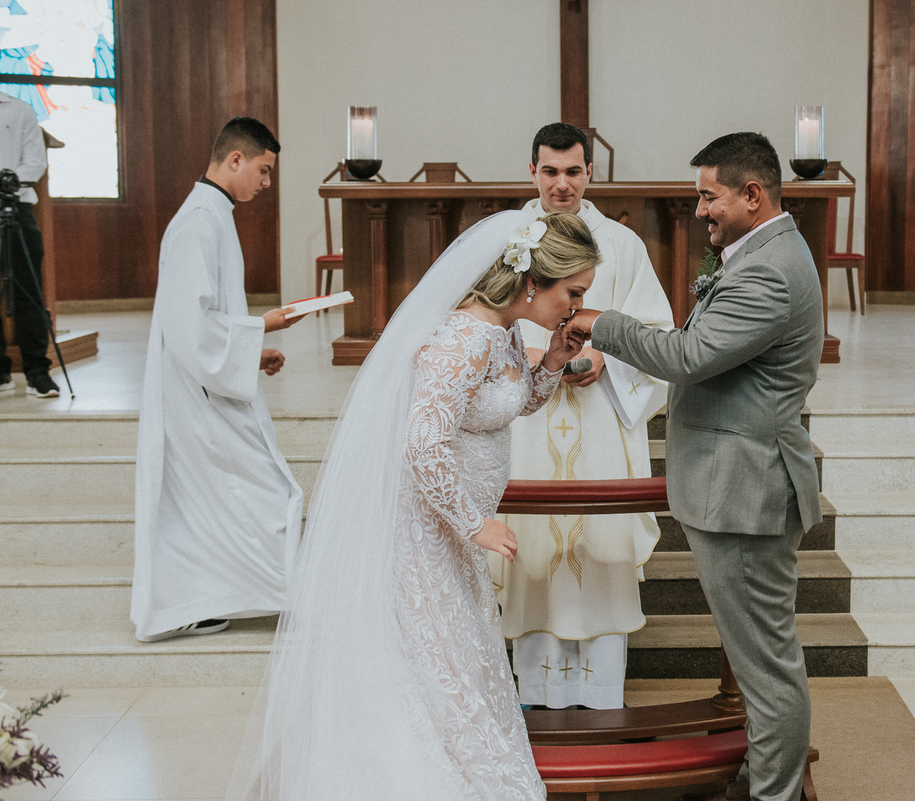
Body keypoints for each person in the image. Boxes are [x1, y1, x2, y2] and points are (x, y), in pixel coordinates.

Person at [225, 210, 599, 801]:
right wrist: (475, 524)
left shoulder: (503, 331)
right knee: (433, 671)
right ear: (533, 281)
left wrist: (551, 362)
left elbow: (510, 403)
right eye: (572, 293)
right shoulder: (464, 338)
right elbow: (423, 443)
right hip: (428, 534)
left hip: (451, 537)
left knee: (455, 666)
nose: (576, 308)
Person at [565, 132, 824, 801]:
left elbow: (686, 356)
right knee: (756, 656)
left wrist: (601, 322)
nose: (700, 209)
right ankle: (762, 777)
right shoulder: (764, 252)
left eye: (710, 196)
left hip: (746, 489)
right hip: (737, 481)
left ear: (752, 194)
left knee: (765, 664)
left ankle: (773, 794)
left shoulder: (768, 270)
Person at [495, 122, 673, 710]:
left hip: (600, 420)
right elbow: (480, 319)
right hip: (527, 419)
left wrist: (606, 356)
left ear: (590, 172)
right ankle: (534, 691)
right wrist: (525, 358)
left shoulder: (622, 246)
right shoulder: (507, 241)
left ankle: (599, 695)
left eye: (573, 171)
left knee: (599, 542)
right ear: (532, 171)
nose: (562, 184)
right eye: (550, 171)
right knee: (531, 545)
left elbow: (658, 335)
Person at [131, 117, 307, 643]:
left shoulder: (214, 214)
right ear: (235, 160)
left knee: (208, 502)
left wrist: (251, 352)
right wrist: (261, 326)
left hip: (204, 380)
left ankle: (197, 602)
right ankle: (204, 604)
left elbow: (205, 317)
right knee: (265, 491)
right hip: (195, 392)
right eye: (264, 170)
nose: (267, 182)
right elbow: (189, 327)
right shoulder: (198, 222)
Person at [0, 90, 57, 399]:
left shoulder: (19, 109)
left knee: (28, 290)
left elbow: (35, 161)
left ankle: (37, 372)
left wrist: (6, 181)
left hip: (15, 205)